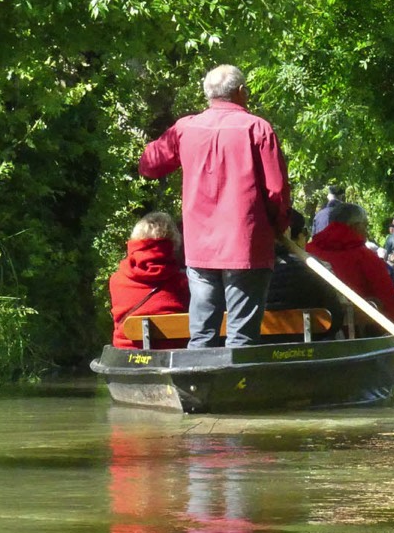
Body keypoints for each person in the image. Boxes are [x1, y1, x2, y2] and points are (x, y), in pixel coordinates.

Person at [138, 64, 291, 348]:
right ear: (241, 92)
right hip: (247, 245)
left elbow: (149, 164)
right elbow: (277, 191)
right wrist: (278, 227)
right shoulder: (258, 128)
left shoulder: (186, 128)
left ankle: (199, 387)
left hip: (200, 247)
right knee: (242, 337)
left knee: (202, 335)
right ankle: (236, 388)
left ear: (208, 94)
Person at [306, 202, 394, 328]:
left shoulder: (307, 251)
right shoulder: (367, 257)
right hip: (355, 332)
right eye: (366, 226)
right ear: (356, 226)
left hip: (311, 330)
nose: (366, 231)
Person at [109, 212, 191, 349]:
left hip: (128, 355)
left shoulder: (116, 280)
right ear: (173, 243)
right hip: (174, 356)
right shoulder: (185, 282)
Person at [266, 207, 345, 331]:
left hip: (260, 346)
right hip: (312, 346)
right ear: (289, 232)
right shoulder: (317, 267)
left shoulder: (245, 271)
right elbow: (336, 317)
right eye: (305, 232)